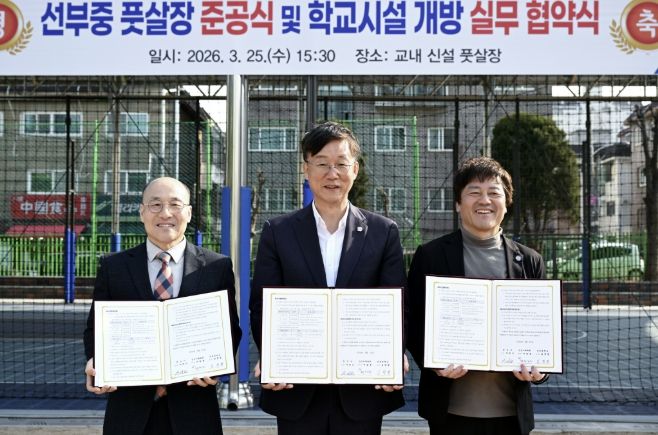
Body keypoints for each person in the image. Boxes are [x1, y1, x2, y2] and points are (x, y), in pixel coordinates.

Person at [249, 121, 407, 435]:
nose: (332, 173)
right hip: (296, 386)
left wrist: (392, 353)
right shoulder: (278, 232)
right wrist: (272, 354)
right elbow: (262, 305)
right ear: (306, 169)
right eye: (321, 163)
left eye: (341, 164)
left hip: (362, 388)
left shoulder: (383, 232)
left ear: (355, 170)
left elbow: (397, 303)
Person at [83, 177, 242, 435]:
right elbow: (95, 329)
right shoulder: (114, 267)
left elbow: (230, 329)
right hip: (130, 411)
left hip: (194, 409)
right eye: (155, 205)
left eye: (175, 205)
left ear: (189, 212)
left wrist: (215, 366)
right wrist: (95, 360)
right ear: (142, 212)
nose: (165, 213)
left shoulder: (216, 267)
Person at [407, 157, 549, 435]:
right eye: (474, 192)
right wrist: (433, 364)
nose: (485, 200)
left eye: (494, 192)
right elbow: (412, 322)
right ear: (458, 203)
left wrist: (541, 370)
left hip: (512, 416)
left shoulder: (530, 261)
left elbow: (542, 331)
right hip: (448, 413)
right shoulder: (431, 256)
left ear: (506, 203)